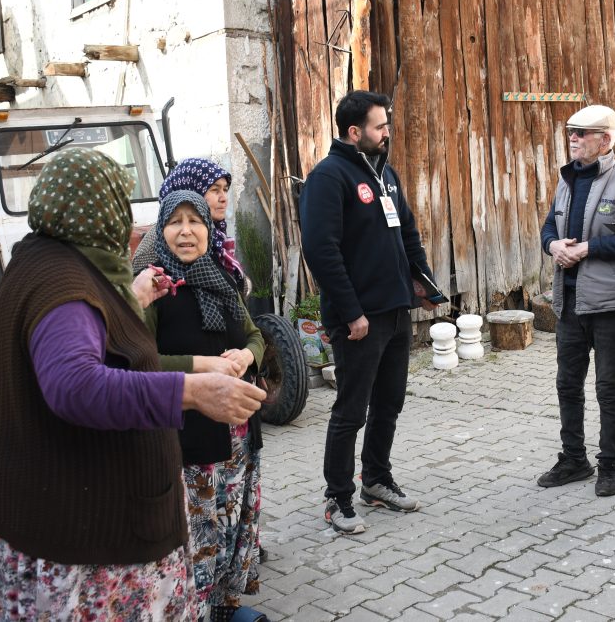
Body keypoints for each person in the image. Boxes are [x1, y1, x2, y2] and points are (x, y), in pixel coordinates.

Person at [0, 148, 265, 620]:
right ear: (104, 210)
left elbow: (101, 344)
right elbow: (76, 385)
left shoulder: (50, 264)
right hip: (79, 530)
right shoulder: (62, 282)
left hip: (74, 517)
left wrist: (130, 299)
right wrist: (192, 390)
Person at [300, 90, 437, 535]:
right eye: (380, 126)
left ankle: (376, 480)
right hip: (359, 320)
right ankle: (337, 497)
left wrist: (427, 285)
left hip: (396, 309)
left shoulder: (385, 174)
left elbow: (408, 234)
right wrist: (352, 311)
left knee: (389, 404)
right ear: (354, 131)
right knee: (350, 410)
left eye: (387, 125)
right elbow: (321, 251)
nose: (387, 133)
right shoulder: (329, 177)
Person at [145, 189, 268, 621]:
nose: (186, 231)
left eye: (194, 221)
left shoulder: (222, 279)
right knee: (197, 536)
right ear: (161, 231)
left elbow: (255, 335)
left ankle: (224, 606)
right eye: (174, 222)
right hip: (187, 440)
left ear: (208, 228)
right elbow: (138, 363)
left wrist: (246, 356)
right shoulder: (153, 288)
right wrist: (204, 366)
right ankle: (193, 612)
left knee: (232, 524)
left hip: (237, 434)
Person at [538, 104, 615, 497]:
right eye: (570, 131)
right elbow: (550, 223)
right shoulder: (566, 180)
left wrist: (585, 248)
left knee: (607, 387)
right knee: (567, 384)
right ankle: (574, 459)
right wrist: (553, 245)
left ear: (605, 140)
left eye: (582, 132)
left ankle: (609, 465)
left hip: (610, 303)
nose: (573, 138)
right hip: (568, 302)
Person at [134, 157, 246, 293]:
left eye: (225, 190)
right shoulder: (157, 245)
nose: (223, 198)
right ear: (191, 189)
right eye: (215, 190)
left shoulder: (216, 235)